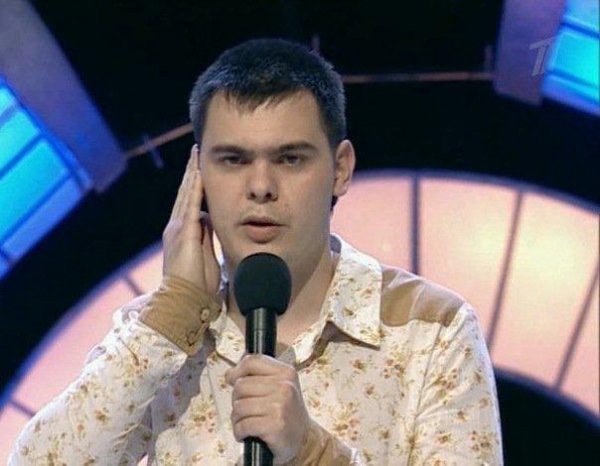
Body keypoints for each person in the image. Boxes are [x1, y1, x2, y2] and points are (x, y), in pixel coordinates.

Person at [10, 38, 503, 465]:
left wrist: (310, 452)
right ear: (198, 174)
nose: (261, 186)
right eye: (234, 160)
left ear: (340, 169)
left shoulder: (430, 330)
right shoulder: (158, 337)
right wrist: (177, 309)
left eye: (290, 159)